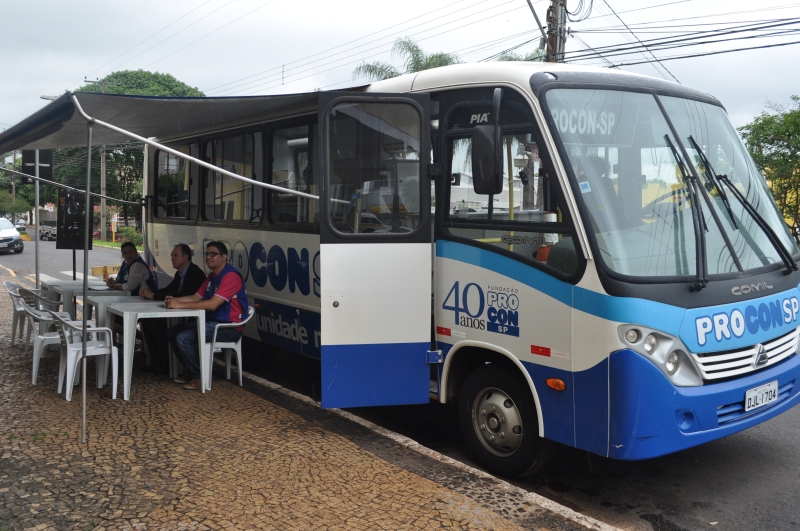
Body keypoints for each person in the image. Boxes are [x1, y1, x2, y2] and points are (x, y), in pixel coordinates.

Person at [165, 241, 248, 390]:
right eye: (207, 254)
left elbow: (212, 304)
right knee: (172, 332)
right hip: (212, 323)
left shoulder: (231, 276)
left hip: (229, 328)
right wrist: (173, 300)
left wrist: (180, 305)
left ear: (224, 257)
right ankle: (192, 370)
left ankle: (199, 377)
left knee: (183, 338)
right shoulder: (211, 277)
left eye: (213, 254)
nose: (208, 257)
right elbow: (195, 297)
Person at [139, 243, 206, 373]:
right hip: (176, 310)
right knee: (146, 321)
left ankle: (167, 362)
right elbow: (169, 290)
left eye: (175, 255)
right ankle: (155, 360)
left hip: (189, 313)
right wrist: (151, 293)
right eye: (171, 255)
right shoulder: (179, 274)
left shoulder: (195, 273)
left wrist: (154, 295)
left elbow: (181, 295)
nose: (172, 258)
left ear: (185, 257)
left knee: (157, 325)